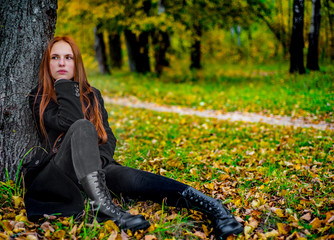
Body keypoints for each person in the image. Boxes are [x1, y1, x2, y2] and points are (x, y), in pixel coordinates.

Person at [24, 36, 243, 239]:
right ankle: (103, 210)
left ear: (76, 63)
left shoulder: (92, 95)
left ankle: (215, 208)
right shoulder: (39, 96)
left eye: (68, 57)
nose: (62, 63)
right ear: (47, 63)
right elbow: (71, 123)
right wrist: (63, 84)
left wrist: (97, 163)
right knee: (82, 126)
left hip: (95, 172)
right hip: (59, 174)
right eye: (55, 58)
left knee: (140, 180)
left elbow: (107, 138)